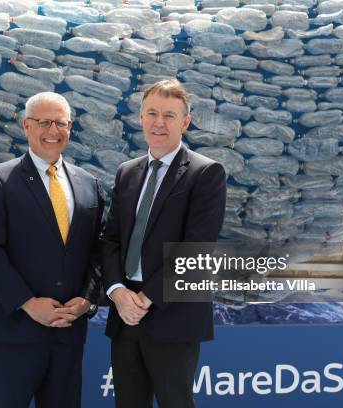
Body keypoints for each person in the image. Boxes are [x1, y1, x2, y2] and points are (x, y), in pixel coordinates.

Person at [0, 92, 104, 408]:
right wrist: (29, 303)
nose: (52, 130)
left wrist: (87, 300)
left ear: (70, 127)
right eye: (44, 122)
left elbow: (98, 251)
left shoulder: (90, 184)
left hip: (68, 333)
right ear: (26, 126)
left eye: (60, 123)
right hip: (14, 331)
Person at [101, 79, 227, 407]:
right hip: (125, 314)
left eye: (169, 115)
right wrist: (118, 292)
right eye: (152, 113)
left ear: (185, 122)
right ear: (140, 118)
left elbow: (196, 249)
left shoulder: (206, 173)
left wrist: (144, 299)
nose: (159, 122)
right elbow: (111, 239)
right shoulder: (126, 172)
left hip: (173, 314)